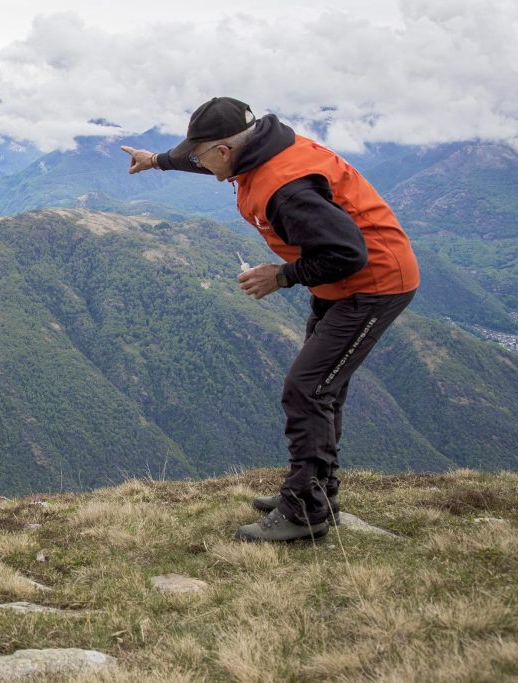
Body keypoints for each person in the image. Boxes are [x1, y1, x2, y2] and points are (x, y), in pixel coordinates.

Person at [122, 97, 419, 542]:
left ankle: (305, 513)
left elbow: (347, 253)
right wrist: (158, 161)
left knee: (307, 388)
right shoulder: (258, 149)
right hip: (338, 285)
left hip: (373, 284)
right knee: (321, 388)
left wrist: (280, 276)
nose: (198, 162)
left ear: (225, 150)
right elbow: (208, 159)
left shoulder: (287, 187)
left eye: (201, 154)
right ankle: (317, 492)